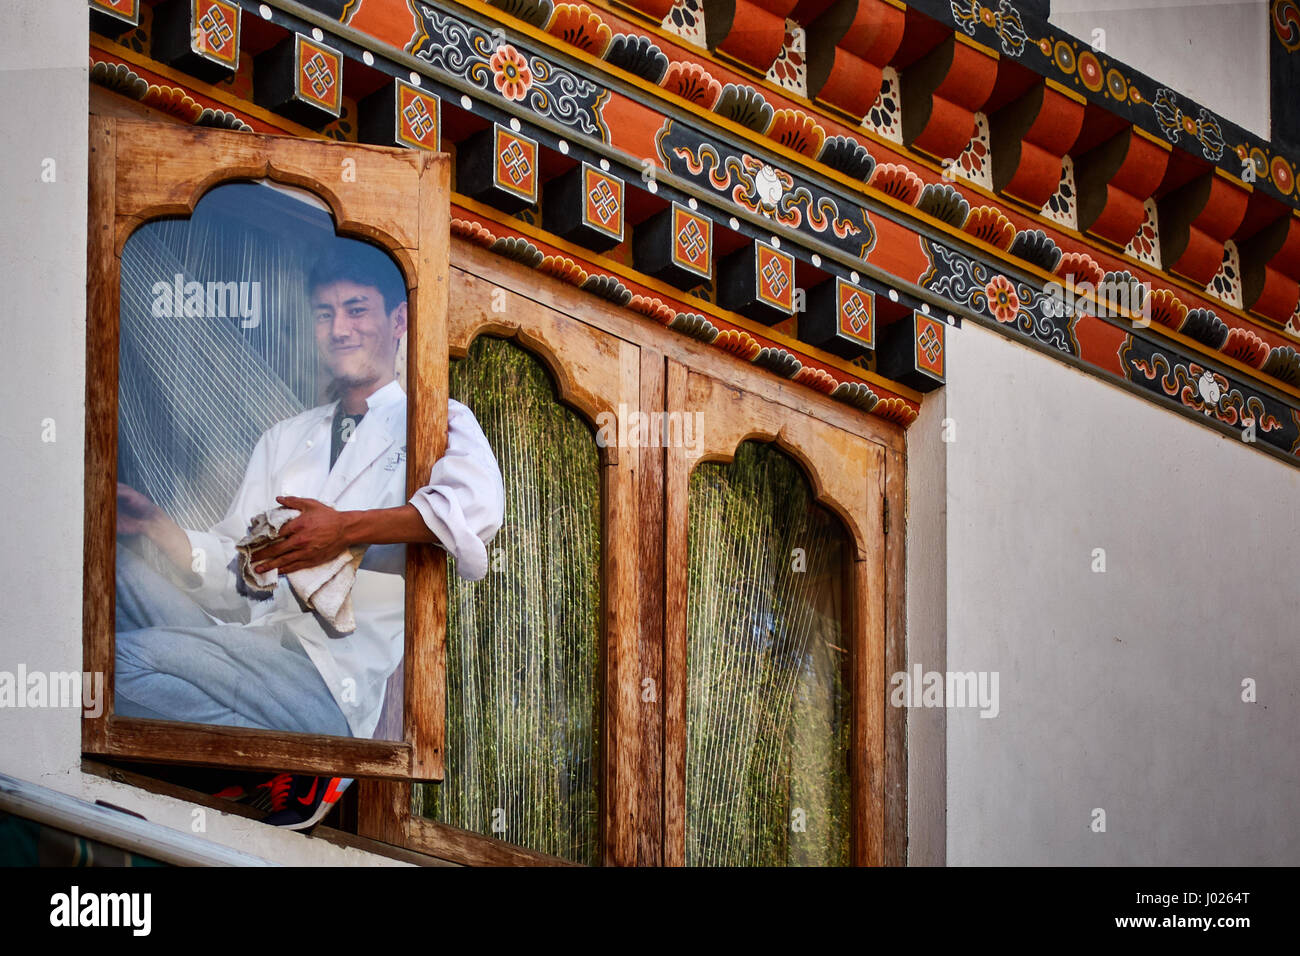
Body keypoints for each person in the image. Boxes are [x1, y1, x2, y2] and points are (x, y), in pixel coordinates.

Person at [114, 243, 504, 828]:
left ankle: (304, 763)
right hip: (252, 646)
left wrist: (343, 532)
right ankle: (270, 762)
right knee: (112, 570)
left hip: (328, 674)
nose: (339, 328)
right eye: (324, 314)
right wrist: (162, 531)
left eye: (356, 309)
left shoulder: (435, 419)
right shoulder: (285, 437)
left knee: (116, 667)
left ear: (398, 321)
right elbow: (240, 573)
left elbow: (474, 511)